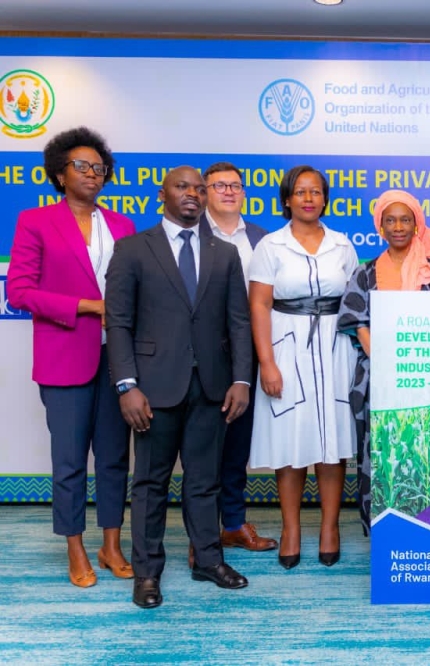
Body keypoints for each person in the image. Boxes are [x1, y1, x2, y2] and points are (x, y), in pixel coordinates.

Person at [106, 166, 253, 609]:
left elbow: (239, 322)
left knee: (205, 482)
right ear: (162, 194)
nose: (192, 193)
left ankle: (208, 560)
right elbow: (118, 322)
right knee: (151, 483)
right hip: (152, 389)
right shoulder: (133, 249)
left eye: (199, 188)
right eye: (182, 186)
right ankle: (148, 573)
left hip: (211, 386)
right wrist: (127, 386)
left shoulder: (224, 253)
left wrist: (241, 378)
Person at [6, 126, 135, 588]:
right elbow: (19, 291)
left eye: (99, 168)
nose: (93, 174)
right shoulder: (35, 222)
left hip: (118, 359)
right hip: (65, 358)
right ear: (60, 174)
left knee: (116, 458)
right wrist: (86, 306)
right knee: (69, 461)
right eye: (82, 166)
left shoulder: (121, 225)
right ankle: (75, 547)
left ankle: (112, 544)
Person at [247, 165, 359, 569]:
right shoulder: (271, 246)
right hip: (286, 347)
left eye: (316, 192)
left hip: (335, 348)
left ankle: (331, 527)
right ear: (287, 199)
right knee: (289, 442)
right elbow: (259, 304)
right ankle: (291, 528)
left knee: (333, 441)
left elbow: (356, 302)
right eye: (300, 192)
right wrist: (266, 363)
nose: (309, 198)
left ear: (325, 199)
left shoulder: (342, 245)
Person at [338, 189, 430, 534]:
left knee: (429, 450)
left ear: (417, 224)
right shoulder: (366, 272)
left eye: (405, 219)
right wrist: (387, 363)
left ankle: (427, 526)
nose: (398, 226)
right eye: (390, 220)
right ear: (380, 225)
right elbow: (357, 320)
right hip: (377, 376)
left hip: (429, 378)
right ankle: (382, 529)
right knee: (378, 453)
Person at [199, 161, 277, 558]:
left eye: (235, 185)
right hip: (203, 358)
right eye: (219, 185)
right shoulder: (190, 235)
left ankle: (232, 524)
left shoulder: (263, 240)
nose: (228, 191)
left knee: (236, 449)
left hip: (248, 356)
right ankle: (202, 535)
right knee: (203, 449)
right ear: (204, 192)